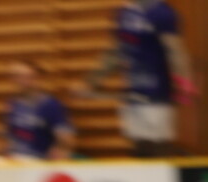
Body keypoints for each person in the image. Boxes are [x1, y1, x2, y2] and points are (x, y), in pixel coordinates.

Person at [79, 1, 197, 158]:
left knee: (158, 149)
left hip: (157, 95)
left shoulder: (162, 13)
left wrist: (184, 81)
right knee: (139, 150)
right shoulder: (124, 13)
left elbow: (174, 51)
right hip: (133, 94)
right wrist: (91, 81)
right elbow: (116, 51)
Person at [0, 60, 75, 162]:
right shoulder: (13, 104)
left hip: (36, 159)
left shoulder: (50, 105)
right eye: (15, 76)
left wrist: (58, 153)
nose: (19, 80)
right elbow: (3, 138)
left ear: (36, 78)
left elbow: (66, 139)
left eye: (24, 76)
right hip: (13, 158)